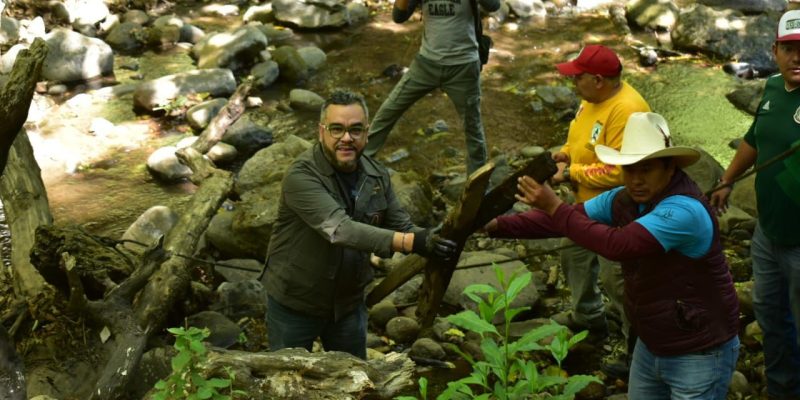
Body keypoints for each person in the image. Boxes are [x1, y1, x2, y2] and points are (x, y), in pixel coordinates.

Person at [485, 112, 740, 398]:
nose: (636, 179)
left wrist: (554, 205)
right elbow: (568, 219)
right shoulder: (623, 197)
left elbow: (617, 245)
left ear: (670, 168)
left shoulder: (684, 211)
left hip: (699, 350)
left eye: (647, 169)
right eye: (629, 169)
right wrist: (496, 225)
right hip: (651, 341)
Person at [261, 89, 457, 359]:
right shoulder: (301, 175)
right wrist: (412, 243)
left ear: (367, 132)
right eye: (337, 129)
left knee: (356, 379)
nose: (346, 138)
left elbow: (403, 225)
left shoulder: (377, 176)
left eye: (355, 130)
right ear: (321, 132)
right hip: (295, 303)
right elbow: (340, 229)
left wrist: (435, 239)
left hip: (348, 306)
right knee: (287, 379)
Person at [710, 10, 800, 399]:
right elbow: (754, 135)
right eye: (789, 49)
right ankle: (782, 389)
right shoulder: (775, 88)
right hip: (768, 232)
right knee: (770, 314)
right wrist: (727, 179)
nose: (797, 58)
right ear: (775, 51)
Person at [549, 44, 650, 376]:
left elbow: (624, 171)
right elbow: (581, 138)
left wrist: (572, 173)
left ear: (598, 80)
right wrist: (565, 154)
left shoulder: (628, 110)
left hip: (620, 209)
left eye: (577, 78)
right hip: (585, 203)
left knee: (617, 280)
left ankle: (636, 352)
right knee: (572, 254)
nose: (573, 83)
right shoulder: (590, 98)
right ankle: (589, 318)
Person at [364, 0, 501, 174]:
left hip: (463, 67)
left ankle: (477, 183)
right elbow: (399, 17)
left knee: (472, 127)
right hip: (425, 65)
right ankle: (359, 164)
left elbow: (493, 6)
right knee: (388, 111)